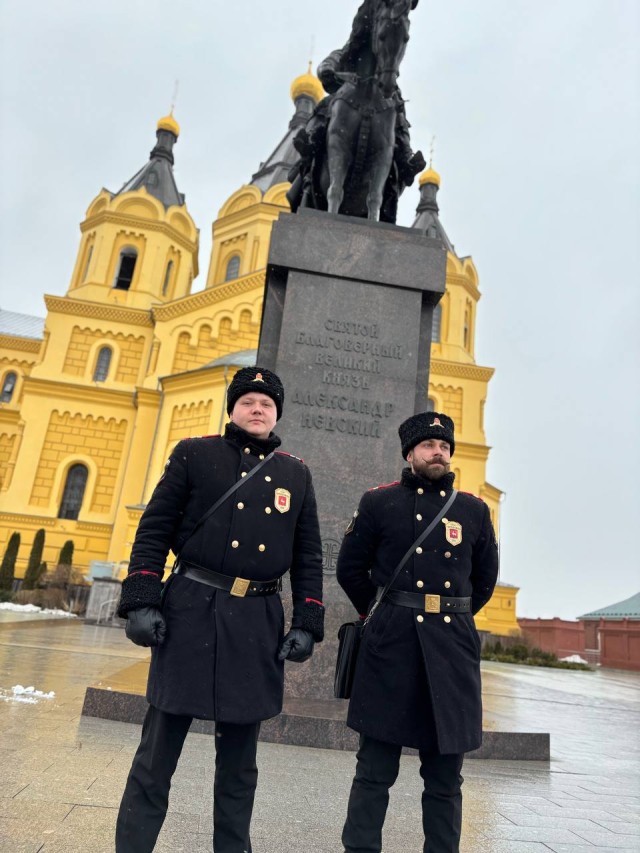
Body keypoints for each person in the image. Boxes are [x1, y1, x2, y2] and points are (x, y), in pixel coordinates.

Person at [115, 366, 324, 853]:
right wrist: (142, 599)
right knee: (155, 756)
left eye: (267, 404)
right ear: (232, 409)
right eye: (248, 401)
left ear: (276, 415)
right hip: (189, 613)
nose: (257, 409)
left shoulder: (295, 474)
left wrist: (308, 623)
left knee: (239, 767)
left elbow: (308, 557)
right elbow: (154, 530)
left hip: (256, 623)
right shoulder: (195, 453)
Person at [336, 411, 499, 853]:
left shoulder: (473, 510)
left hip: (452, 653)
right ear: (410, 453)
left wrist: (453, 616)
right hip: (392, 648)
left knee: (446, 778)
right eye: (429, 446)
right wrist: (386, 614)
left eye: (445, 447)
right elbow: (350, 569)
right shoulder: (379, 502)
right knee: (374, 770)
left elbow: (484, 580)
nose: (438, 453)